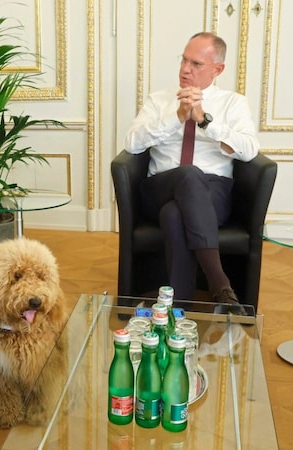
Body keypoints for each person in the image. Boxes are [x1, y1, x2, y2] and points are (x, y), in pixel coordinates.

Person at [123, 32, 259, 305]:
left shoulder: (233, 103)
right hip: (161, 187)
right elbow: (131, 144)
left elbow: (249, 149)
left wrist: (205, 121)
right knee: (187, 174)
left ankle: (179, 307)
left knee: (175, 214)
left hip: (213, 193)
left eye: (196, 64)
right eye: (184, 60)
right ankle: (219, 282)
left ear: (217, 69)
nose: (185, 69)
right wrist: (177, 118)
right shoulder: (159, 100)